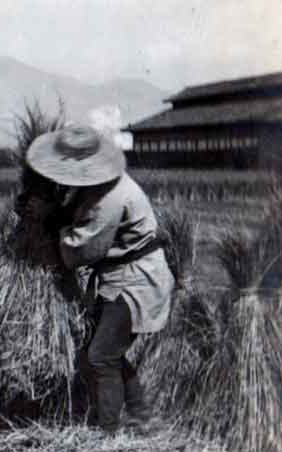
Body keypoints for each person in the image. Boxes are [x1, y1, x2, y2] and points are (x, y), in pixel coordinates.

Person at [23, 125, 175, 434]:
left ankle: (108, 432)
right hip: (120, 276)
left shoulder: (109, 198)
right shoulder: (97, 186)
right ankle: (142, 415)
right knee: (109, 351)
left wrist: (50, 229)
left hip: (137, 281)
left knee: (100, 356)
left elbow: (84, 249)